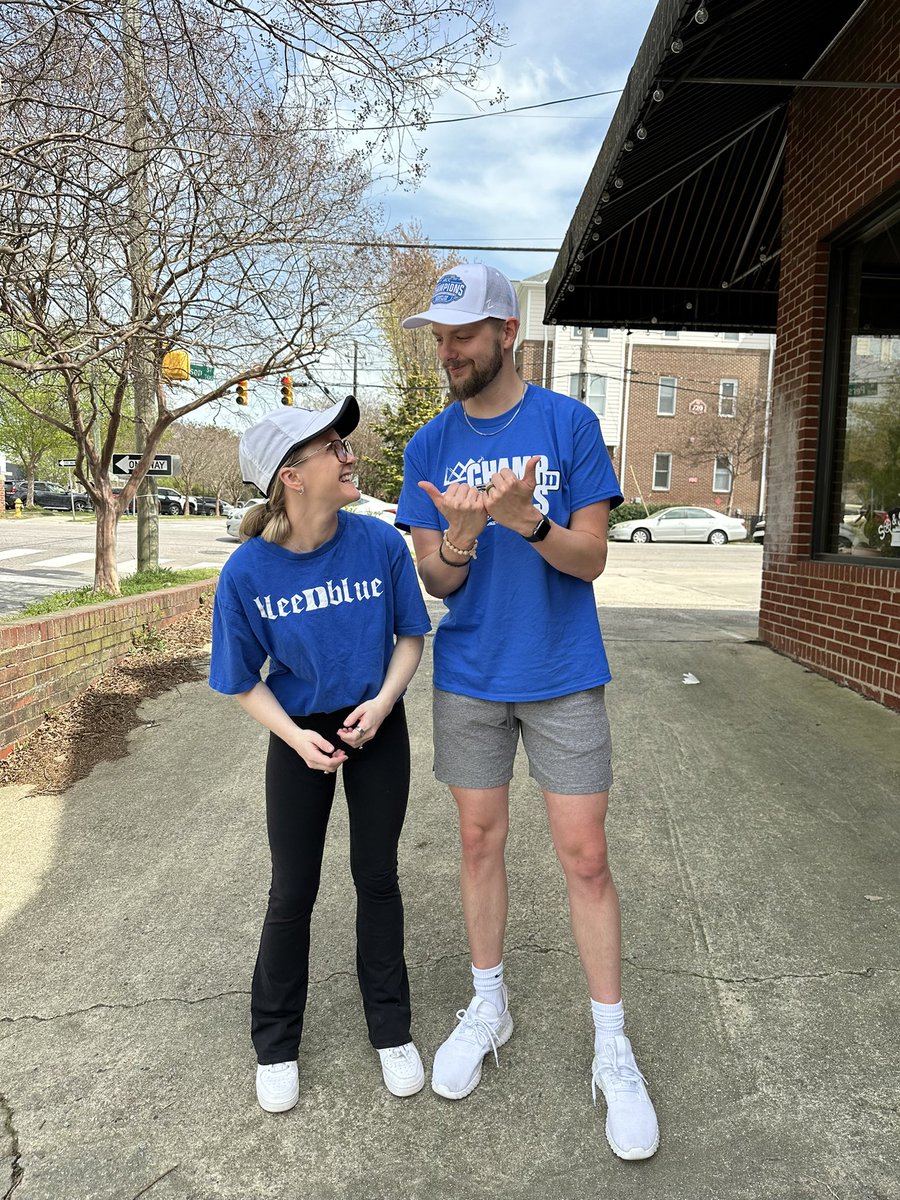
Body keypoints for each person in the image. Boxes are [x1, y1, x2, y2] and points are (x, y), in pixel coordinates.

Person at [394, 264, 659, 1160]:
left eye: (462, 334)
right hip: (470, 673)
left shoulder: (568, 425)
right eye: (438, 336)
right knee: (478, 841)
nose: (447, 350)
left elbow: (591, 561)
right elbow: (436, 578)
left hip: (562, 671)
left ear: (507, 331)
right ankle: (489, 1002)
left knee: (585, 856)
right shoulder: (428, 446)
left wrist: (527, 521)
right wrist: (464, 538)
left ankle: (612, 1046)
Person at [209, 398, 431, 1113]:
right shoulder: (247, 573)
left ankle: (391, 1030)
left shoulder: (379, 544)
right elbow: (240, 678)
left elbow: (408, 635)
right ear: (291, 477)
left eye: (345, 442)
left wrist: (387, 701)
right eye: (331, 447)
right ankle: (275, 1044)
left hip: (376, 724)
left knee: (377, 877)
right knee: (292, 889)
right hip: (297, 731)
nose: (349, 455)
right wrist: (293, 734)